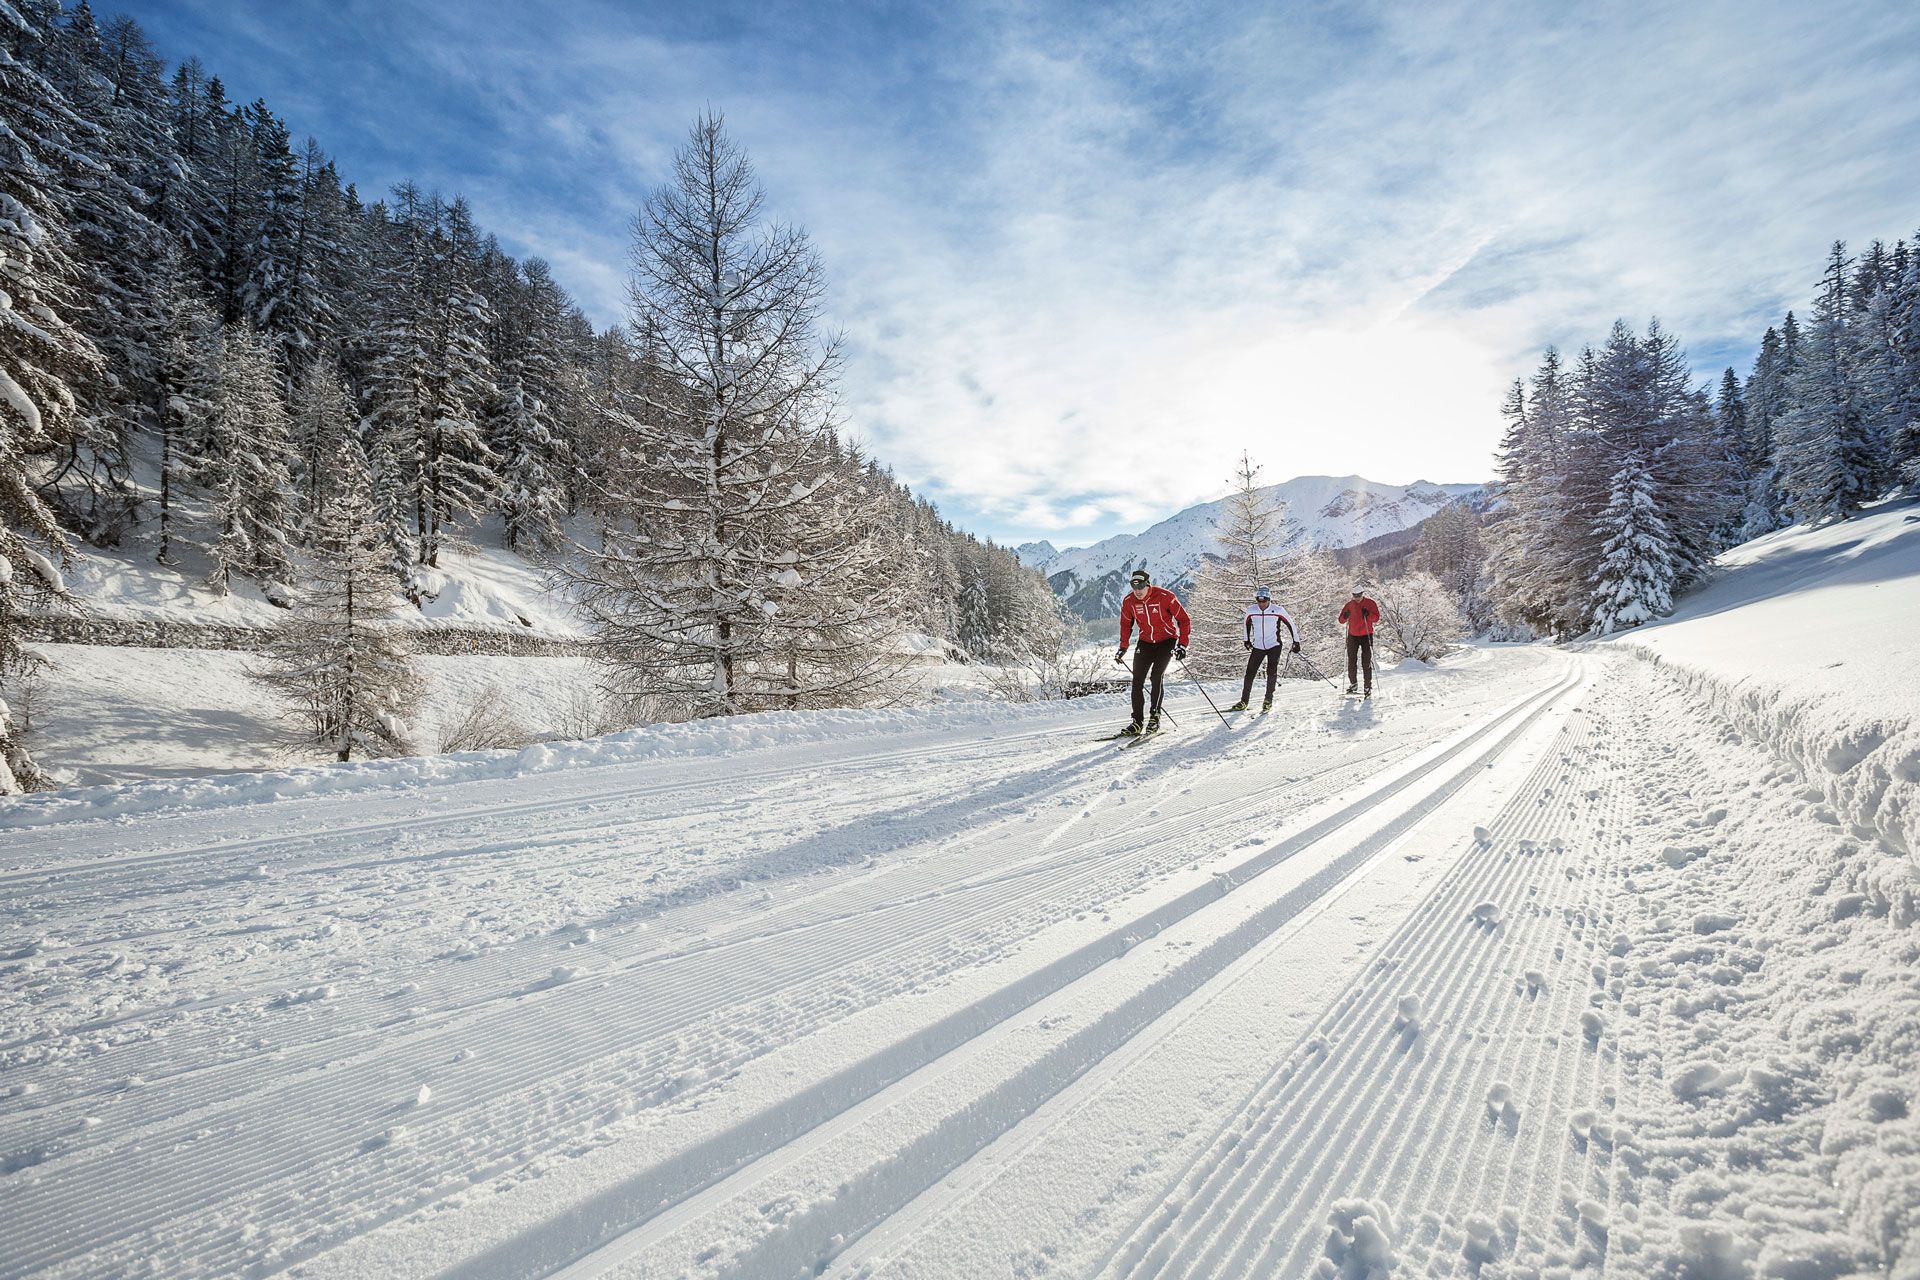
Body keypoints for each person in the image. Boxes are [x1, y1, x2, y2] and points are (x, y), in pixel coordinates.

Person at [1115, 568, 1191, 735]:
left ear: (1147, 584)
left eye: (1141, 587)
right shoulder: (1129, 601)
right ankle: (1137, 722)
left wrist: (1182, 645)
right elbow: (1125, 625)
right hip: (1145, 642)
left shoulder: (1165, 597)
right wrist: (1123, 647)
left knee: (1156, 676)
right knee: (1137, 681)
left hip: (1167, 641)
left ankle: (1154, 717)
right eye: (1134, 588)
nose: (1138, 592)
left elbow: (1184, 620)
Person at [1227, 585, 1298, 712]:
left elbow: (1291, 625)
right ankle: (1244, 701)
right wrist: (1246, 640)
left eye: (1264, 601)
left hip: (1274, 645)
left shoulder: (1278, 610)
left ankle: (1268, 700)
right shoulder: (1251, 610)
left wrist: (1296, 641)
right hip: (1258, 646)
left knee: (1271, 672)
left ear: (1269, 599)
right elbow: (1246, 625)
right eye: (1259, 601)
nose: (1261, 604)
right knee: (1250, 673)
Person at [1338, 586, 1380, 696]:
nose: (1357, 598)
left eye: (1359, 596)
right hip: (1353, 635)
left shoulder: (1370, 603)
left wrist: (1368, 614)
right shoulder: (1349, 605)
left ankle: (1367, 686)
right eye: (1354, 596)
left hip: (1366, 634)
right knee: (1351, 661)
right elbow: (1341, 620)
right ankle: (1353, 684)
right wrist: (1345, 616)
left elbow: (1376, 618)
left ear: (1362, 594)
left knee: (1366, 662)